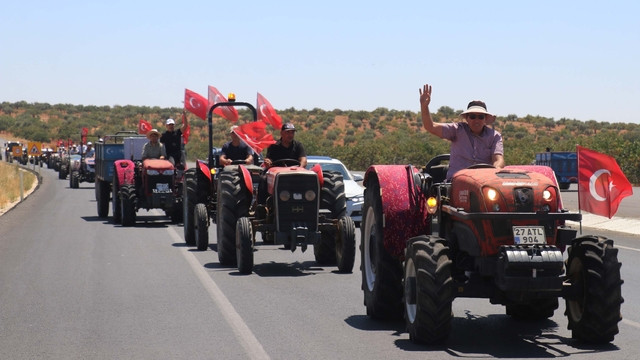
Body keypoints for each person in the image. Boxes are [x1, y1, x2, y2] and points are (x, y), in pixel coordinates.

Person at [420, 83, 504, 180]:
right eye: (472, 116)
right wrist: (424, 106)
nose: (476, 120)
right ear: (467, 118)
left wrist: (496, 169)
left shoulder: (494, 136)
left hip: (483, 182)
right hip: (456, 182)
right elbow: (430, 126)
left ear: (485, 119)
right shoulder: (457, 130)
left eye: (480, 117)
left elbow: (498, 159)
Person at [257, 122, 307, 207]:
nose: (290, 135)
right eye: (288, 132)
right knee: (263, 178)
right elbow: (269, 159)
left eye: (292, 132)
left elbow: (303, 159)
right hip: (278, 173)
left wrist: (301, 168)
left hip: (295, 173)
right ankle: (262, 205)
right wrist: (267, 162)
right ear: (281, 133)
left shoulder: (298, 145)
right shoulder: (273, 146)